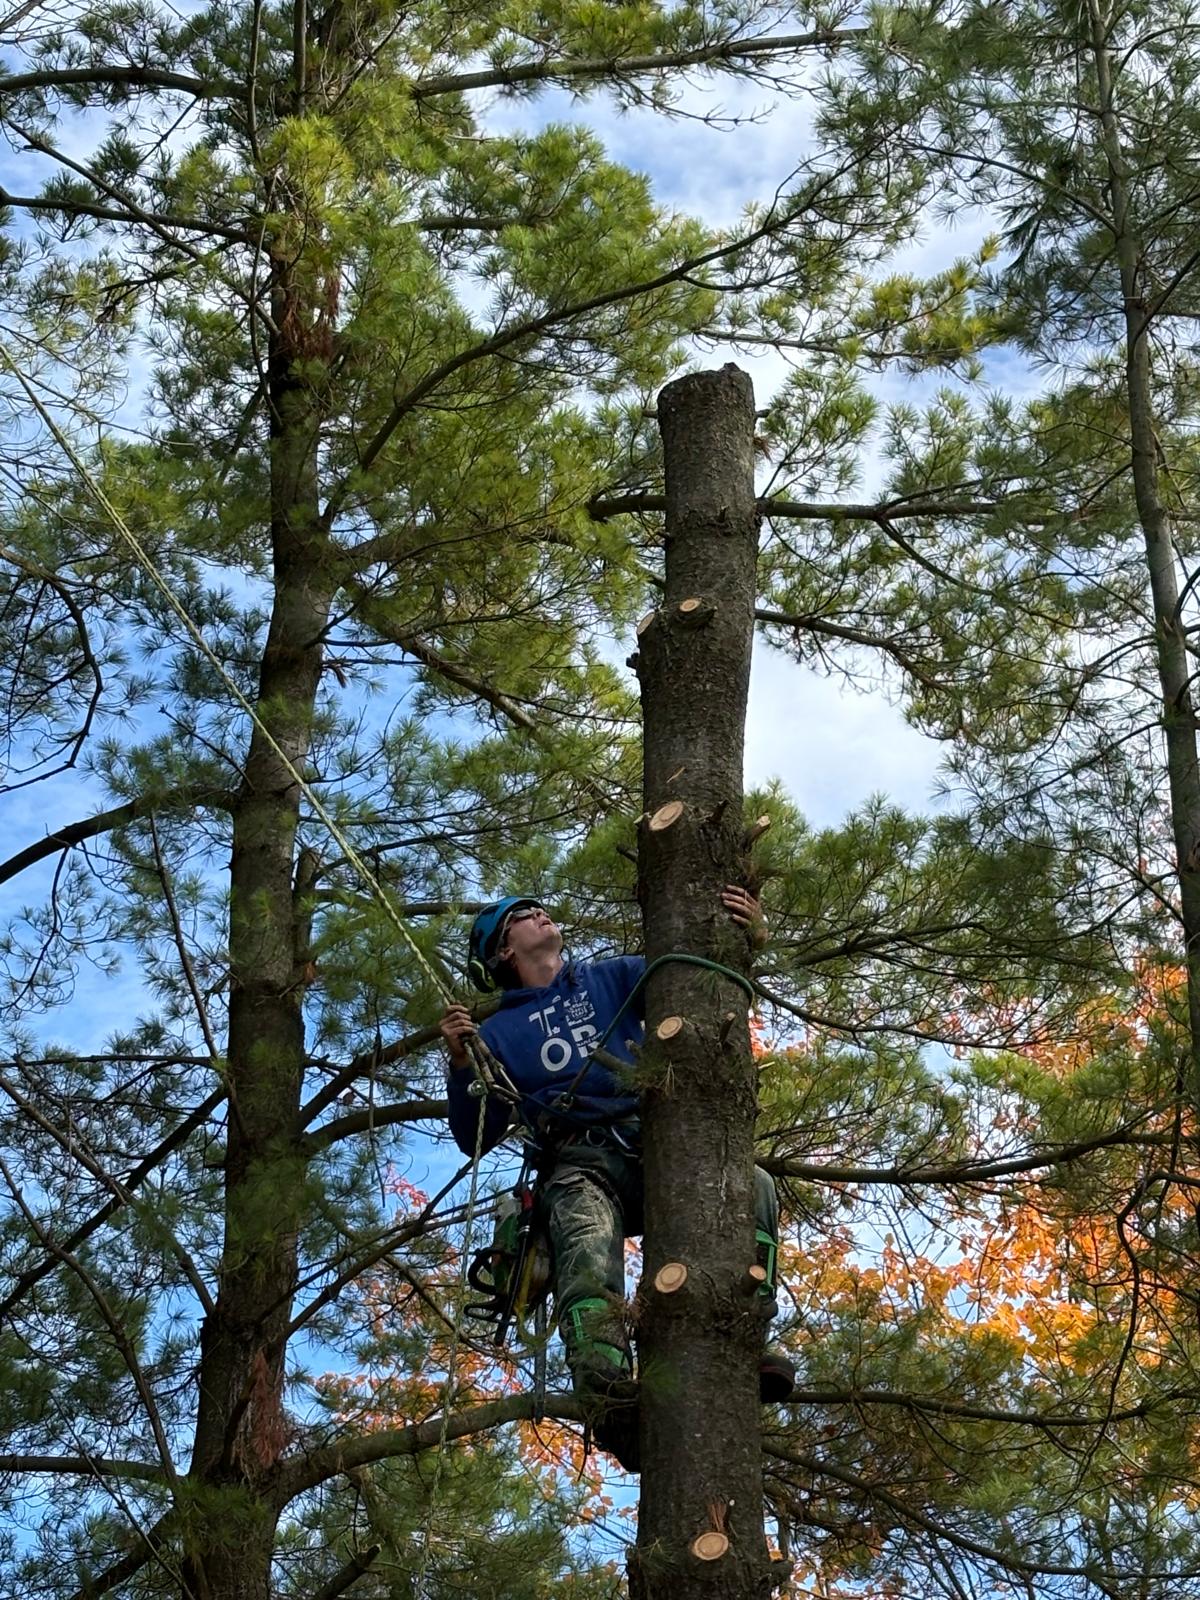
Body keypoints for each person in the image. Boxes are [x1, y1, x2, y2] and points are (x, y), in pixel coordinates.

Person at [440, 892, 794, 1470]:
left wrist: (748, 941)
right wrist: (460, 1064)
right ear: (504, 949)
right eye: (523, 918)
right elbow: (474, 1137)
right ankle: (605, 1386)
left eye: (540, 910)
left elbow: (701, 982)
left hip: (654, 1144)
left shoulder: (613, 978)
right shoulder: (499, 1034)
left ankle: (745, 1328)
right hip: (582, 1161)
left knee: (749, 1183)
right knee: (583, 1233)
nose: (540, 916)